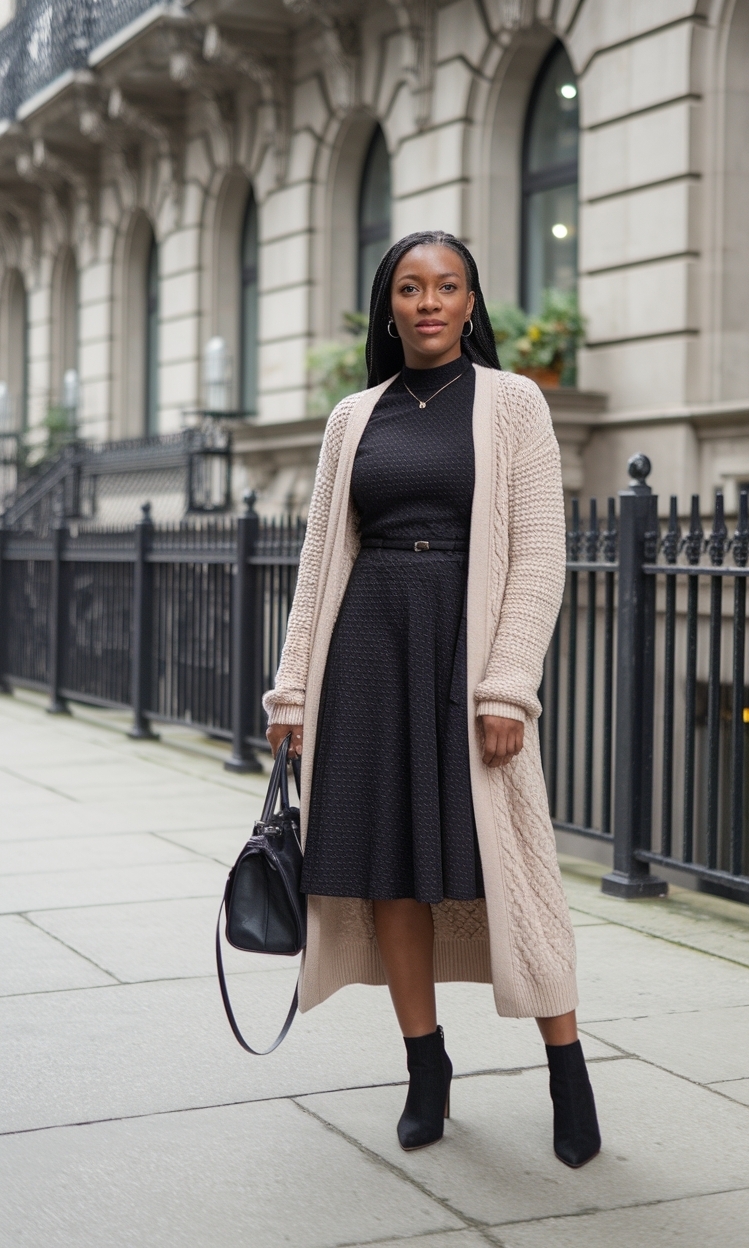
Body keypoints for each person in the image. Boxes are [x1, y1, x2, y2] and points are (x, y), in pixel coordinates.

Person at [264, 230, 600, 1167]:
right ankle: (426, 1068)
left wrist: (508, 684)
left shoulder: (514, 403)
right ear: (389, 305)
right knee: (388, 871)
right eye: (410, 288)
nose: (428, 303)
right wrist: (293, 691)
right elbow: (317, 562)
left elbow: (540, 553)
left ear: (470, 302)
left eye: (446, 286)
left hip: (470, 649)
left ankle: (566, 1070)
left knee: (518, 873)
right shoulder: (353, 417)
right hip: (368, 648)